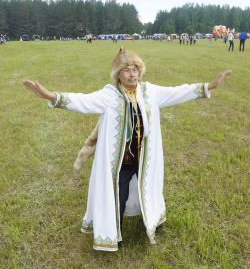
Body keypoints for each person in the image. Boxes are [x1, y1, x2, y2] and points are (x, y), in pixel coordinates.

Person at [22, 48, 232, 251]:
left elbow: (178, 91)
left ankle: (154, 221)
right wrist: (50, 96)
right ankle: (115, 234)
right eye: (126, 70)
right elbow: (82, 100)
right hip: (121, 162)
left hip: (144, 158)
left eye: (135, 69)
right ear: (118, 75)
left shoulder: (150, 92)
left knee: (150, 188)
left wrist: (210, 86)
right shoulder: (109, 95)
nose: (132, 74)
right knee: (118, 196)